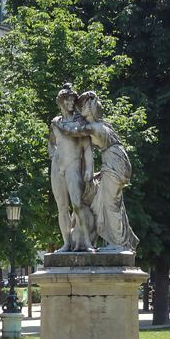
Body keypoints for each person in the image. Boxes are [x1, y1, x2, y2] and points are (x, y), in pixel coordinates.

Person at [56, 90, 139, 251]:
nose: (80, 108)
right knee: (110, 201)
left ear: (92, 108)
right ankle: (117, 241)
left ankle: (118, 244)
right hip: (114, 161)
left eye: (84, 105)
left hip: (114, 161)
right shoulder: (102, 125)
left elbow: (73, 131)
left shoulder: (94, 127)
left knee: (110, 204)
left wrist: (57, 123)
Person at [49, 83, 96, 252]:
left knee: (77, 204)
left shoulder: (80, 123)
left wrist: (90, 168)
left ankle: (86, 242)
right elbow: (51, 142)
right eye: (68, 100)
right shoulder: (56, 123)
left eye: (72, 100)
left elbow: (88, 148)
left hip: (73, 166)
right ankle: (67, 243)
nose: (71, 103)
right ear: (61, 102)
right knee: (62, 208)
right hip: (57, 167)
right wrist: (53, 156)